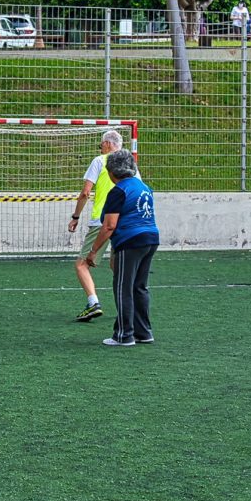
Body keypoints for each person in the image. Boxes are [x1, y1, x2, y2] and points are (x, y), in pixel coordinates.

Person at [85, 148, 160, 347]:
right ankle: (144, 332)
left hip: (130, 240)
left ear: (111, 172)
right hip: (151, 238)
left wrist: (93, 251)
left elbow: (110, 225)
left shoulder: (118, 191)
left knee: (123, 287)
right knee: (139, 287)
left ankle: (124, 335)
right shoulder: (144, 187)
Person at [68, 130, 125, 322]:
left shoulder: (100, 161)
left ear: (108, 144)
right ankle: (128, 304)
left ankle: (93, 303)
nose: (101, 148)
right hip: (124, 221)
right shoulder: (129, 164)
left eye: (101, 144)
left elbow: (85, 192)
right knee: (117, 265)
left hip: (102, 221)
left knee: (82, 264)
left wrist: (75, 216)